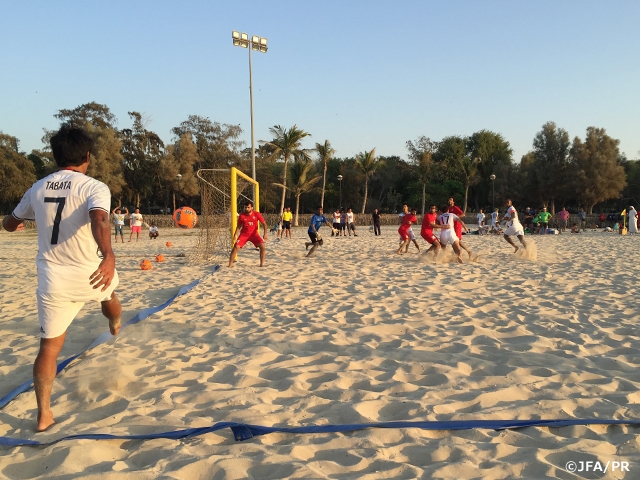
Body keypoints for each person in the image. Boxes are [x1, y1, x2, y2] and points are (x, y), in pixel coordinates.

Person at [2, 125, 121, 432]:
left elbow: (10, 222)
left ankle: (43, 415)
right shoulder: (95, 187)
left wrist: (13, 223)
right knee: (110, 298)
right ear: (87, 156)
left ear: (55, 157)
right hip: (91, 273)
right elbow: (100, 218)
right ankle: (114, 323)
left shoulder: (37, 188)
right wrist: (108, 255)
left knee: (49, 348)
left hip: (53, 280)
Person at [229, 201, 267, 267]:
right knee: (236, 247)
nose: (247, 209)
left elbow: (264, 224)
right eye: (245, 207)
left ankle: (262, 265)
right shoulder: (242, 216)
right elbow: (239, 226)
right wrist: (235, 234)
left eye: (248, 207)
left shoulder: (257, 214)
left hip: (254, 234)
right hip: (244, 235)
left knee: (263, 247)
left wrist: (265, 234)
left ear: (252, 208)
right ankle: (230, 265)